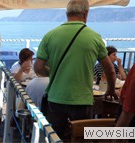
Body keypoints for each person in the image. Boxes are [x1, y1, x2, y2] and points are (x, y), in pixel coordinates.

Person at [34, 0, 117, 139]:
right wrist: (111, 89)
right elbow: (110, 69)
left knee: (55, 138)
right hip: (82, 100)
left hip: (56, 98)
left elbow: (37, 67)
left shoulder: (50, 35)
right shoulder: (94, 37)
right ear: (86, 14)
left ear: (67, 14)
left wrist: (53, 73)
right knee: (80, 138)